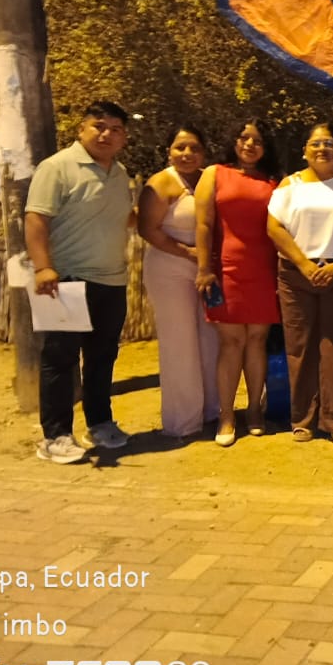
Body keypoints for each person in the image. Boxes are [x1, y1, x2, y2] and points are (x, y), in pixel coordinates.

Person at [25, 100, 135, 464]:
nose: (106, 134)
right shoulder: (56, 167)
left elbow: (122, 218)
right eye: (99, 126)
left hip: (111, 280)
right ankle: (55, 436)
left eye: (115, 129)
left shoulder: (119, 173)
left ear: (123, 137)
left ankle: (100, 424)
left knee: (103, 357)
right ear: (81, 129)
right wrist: (43, 268)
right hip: (66, 280)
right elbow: (36, 219)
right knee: (60, 359)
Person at [266, 122, 333, 450]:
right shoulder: (290, 185)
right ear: (305, 150)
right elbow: (274, 228)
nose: (322, 149)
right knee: (299, 347)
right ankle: (302, 418)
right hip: (296, 274)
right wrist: (304, 264)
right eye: (315, 143)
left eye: (328, 143)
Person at [194, 118, 281, 447]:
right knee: (231, 343)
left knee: (257, 341)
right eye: (244, 138)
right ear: (234, 141)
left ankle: (255, 410)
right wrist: (204, 268)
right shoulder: (214, 173)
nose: (249, 144)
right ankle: (227, 415)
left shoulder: (274, 181)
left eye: (257, 140)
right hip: (224, 270)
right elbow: (203, 224)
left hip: (263, 271)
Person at [138, 125, 219, 438]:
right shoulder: (161, 183)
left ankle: (211, 411)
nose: (187, 154)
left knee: (210, 341)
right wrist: (188, 253)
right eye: (180, 147)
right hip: (170, 267)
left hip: (205, 269)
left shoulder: (208, 179)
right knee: (180, 343)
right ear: (169, 151)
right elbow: (147, 229)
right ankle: (183, 422)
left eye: (194, 148)